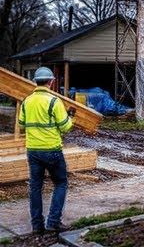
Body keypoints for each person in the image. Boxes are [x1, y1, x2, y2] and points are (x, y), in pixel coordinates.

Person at [19, 66, 75, 234]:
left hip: (33, 151)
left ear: (36, 81)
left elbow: (22, 125)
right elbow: (65, 127)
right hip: (52, 150)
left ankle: (37, 225)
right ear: (51, 82)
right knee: (61, 183)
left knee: (35, 187)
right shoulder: (54, 101)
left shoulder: (27, 101)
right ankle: (53, 222)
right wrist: (70, 117)